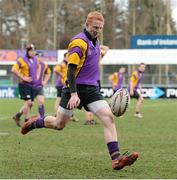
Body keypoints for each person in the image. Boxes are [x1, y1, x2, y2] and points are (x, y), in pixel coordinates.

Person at [21, 11, 139, 170]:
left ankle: (116, 158)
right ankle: (35, 123)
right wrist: (74, 94)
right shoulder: (79, 42)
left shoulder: (96, 41)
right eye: (95, 27)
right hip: (73, 89)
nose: (97, 30)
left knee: (108, 118)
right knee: (59, 124)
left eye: (100, 28)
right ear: (87, 25)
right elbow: (70, 70)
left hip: (92, 91)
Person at [11, 44, 38, 126]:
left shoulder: (35, 59)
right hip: (24, 84)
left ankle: (17, 116)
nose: (33, 52)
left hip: (32, 85)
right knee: (29, 103)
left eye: (34, 50)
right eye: (31, 51)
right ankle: (27, 120)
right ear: (27, 51)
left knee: (31, 104)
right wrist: (23, 77)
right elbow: (13, 70)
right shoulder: (21, 60)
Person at [54, 52, 79, 122]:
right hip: (60, 84)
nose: (69, 58)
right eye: (68, 56)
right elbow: (55, 70)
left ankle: (71, 115)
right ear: (65, 57)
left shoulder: (68, 64)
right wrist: (62, 75)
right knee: (59, 99)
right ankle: (57, 115)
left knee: (70, 99)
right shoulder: (62, 63)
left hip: (66, 84)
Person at [33, 51, 51, 119]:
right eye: (37, 56)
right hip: (30, 86)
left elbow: (48, 73)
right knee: (29, 104)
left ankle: (41, 118)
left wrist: (45, 81)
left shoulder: (44, 65)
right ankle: (18, 115)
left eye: (40, 56)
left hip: (39, 86)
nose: (39, 58)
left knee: (41, 101)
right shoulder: (31, 63)